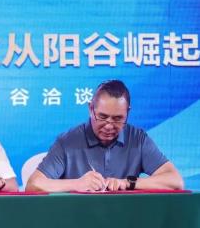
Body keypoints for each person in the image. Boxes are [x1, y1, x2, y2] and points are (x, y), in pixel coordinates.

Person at [26, 80, 183, 192]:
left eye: (118, 118)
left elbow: (175, 181)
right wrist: (77, 184)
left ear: (128, 113)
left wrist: (128, 183)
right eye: (102, 117)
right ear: (90, 109)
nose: (109, 125)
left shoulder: (138, 139)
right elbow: (33, 185)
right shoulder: (67, 142)